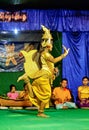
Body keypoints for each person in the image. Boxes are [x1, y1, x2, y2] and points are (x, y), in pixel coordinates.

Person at [17, 25, 70, 117]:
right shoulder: (45, 53)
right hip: (43, 76)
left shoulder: (44, 53)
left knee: (37, 93)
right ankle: (40, 112)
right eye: (51, 44)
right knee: (47, 94)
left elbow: (51, 64)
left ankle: (27, 81)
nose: (52, 46)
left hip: (44, 76)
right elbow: (53, 61)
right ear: (48, 45)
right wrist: (64, 55)